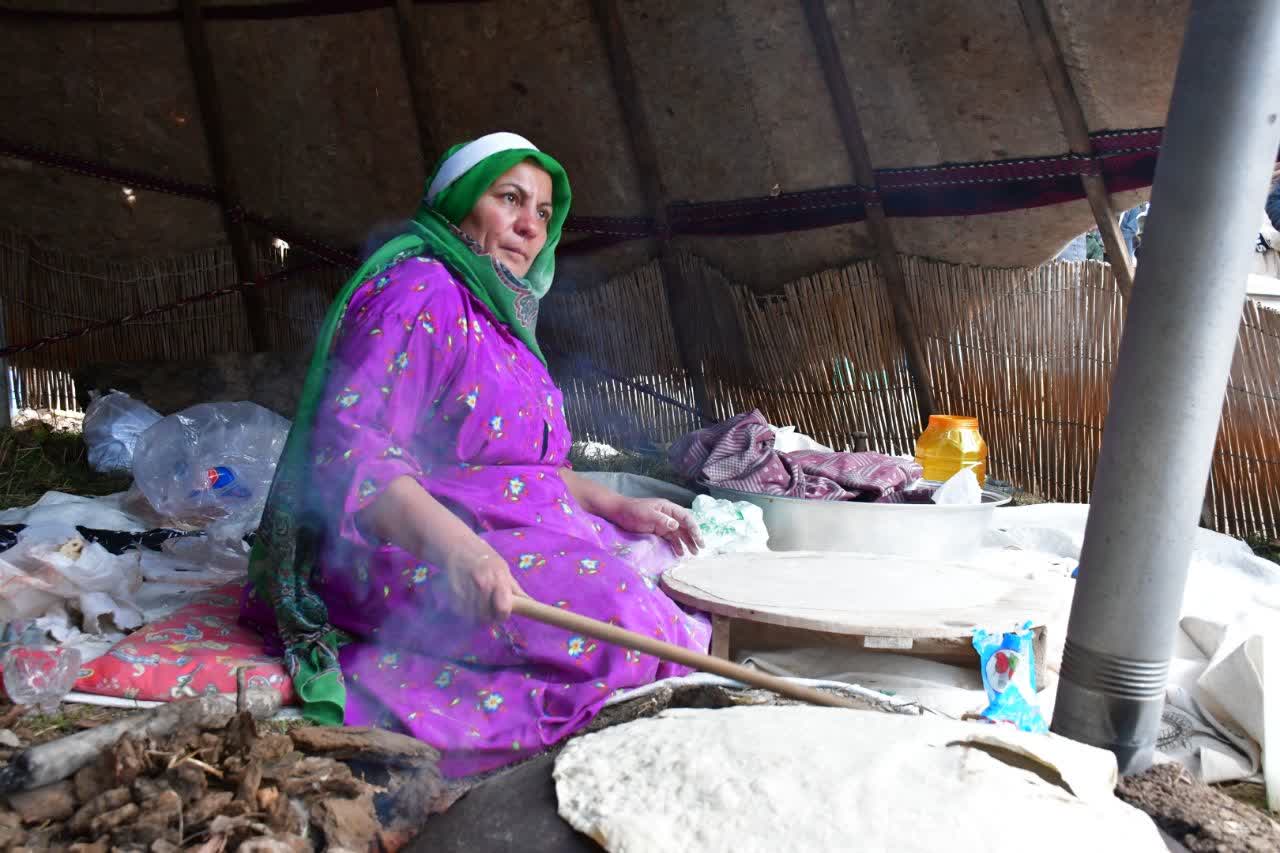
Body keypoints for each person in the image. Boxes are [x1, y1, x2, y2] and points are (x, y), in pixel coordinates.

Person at [241, 132, 710, 777]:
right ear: (460, 204)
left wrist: (618, 505)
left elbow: (525, 467)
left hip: (501, 527)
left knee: (673, 576)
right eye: (509, 199)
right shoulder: (420, 291)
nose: (529, 226)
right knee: (625, 632)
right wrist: (462, 552)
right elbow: (353, 457)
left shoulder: (497, 315)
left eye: (543, 212)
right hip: (407, 545)